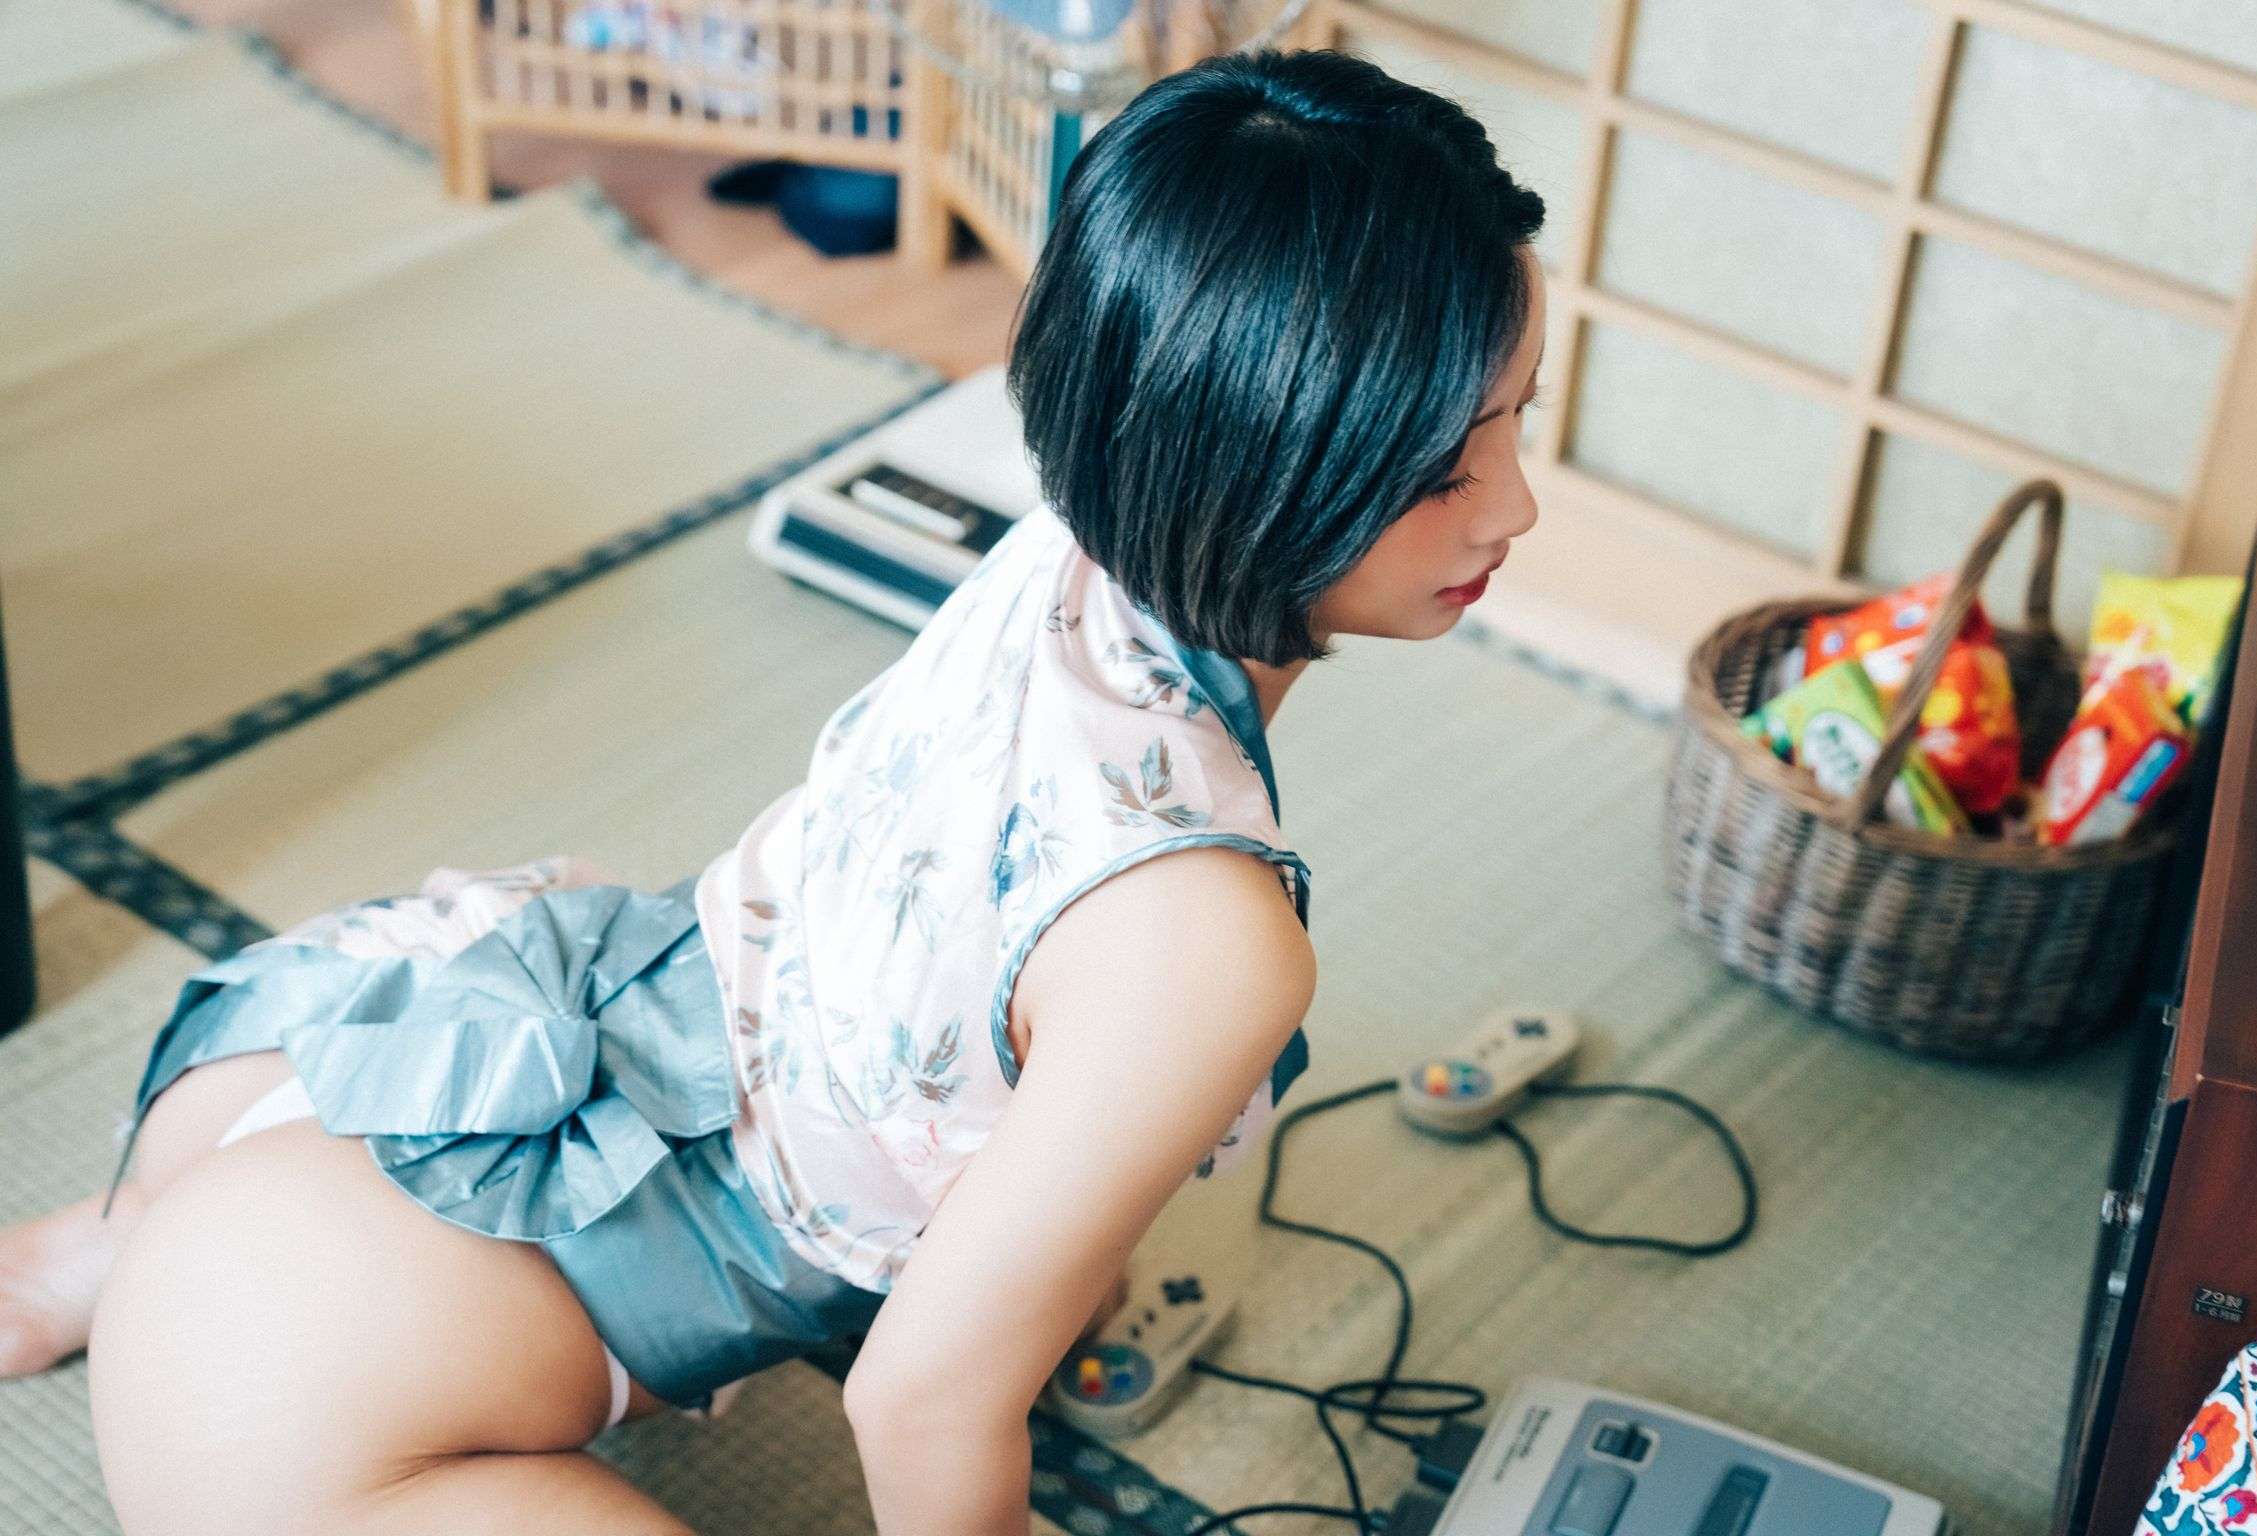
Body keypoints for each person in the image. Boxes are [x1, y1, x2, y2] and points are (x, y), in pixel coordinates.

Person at [0, 45, 1546, 1536]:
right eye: (1448, 469)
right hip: (296, 1392)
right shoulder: (1203, 943)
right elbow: (921, 1406)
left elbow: (987, 995)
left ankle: (111, 1247)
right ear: (1258, 460)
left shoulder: (1074, 536)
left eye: (1516, 424)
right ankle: (131, 1269)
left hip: (344, 1051)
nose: (1517, 509)